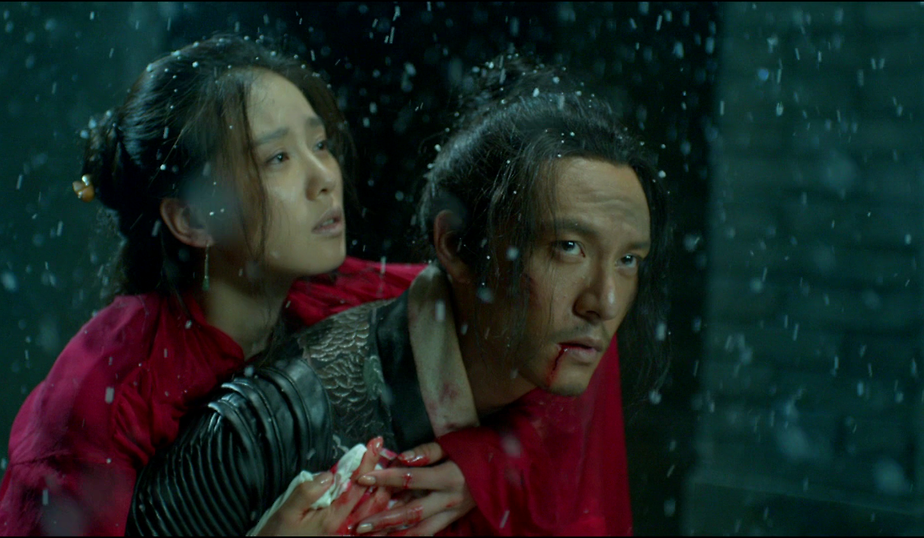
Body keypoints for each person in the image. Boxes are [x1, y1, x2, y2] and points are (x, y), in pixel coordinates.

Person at [127, 54, 671, 536]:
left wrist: (490, 472)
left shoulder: (573, 368)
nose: (604, 302)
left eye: (628, 260)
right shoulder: (273, 423)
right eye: (568, 247)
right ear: (455, 247)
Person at [0, 34, 465, 536]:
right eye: (277, 159)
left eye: (319, 144)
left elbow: (509, 322)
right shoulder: (104, 393)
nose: (324, 176)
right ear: (191, 219)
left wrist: (477, 473)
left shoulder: (345, 294)